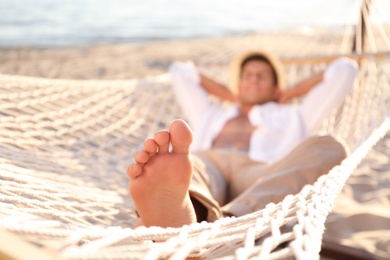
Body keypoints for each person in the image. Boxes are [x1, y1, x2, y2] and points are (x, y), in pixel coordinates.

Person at [127, 50, 359, 229]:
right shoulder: (212, 114)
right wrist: (233, 97)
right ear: (238, 85)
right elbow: (180, 72)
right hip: (210, 166)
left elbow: (345, 70)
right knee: (186, 166)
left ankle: (229, 220)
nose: (254, 80)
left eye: (262, 76)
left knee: (330, 147)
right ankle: (185, 208)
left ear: (275, 87)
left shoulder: (295, 116)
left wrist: (289, 94)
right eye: (247, 76)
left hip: (262, 174)